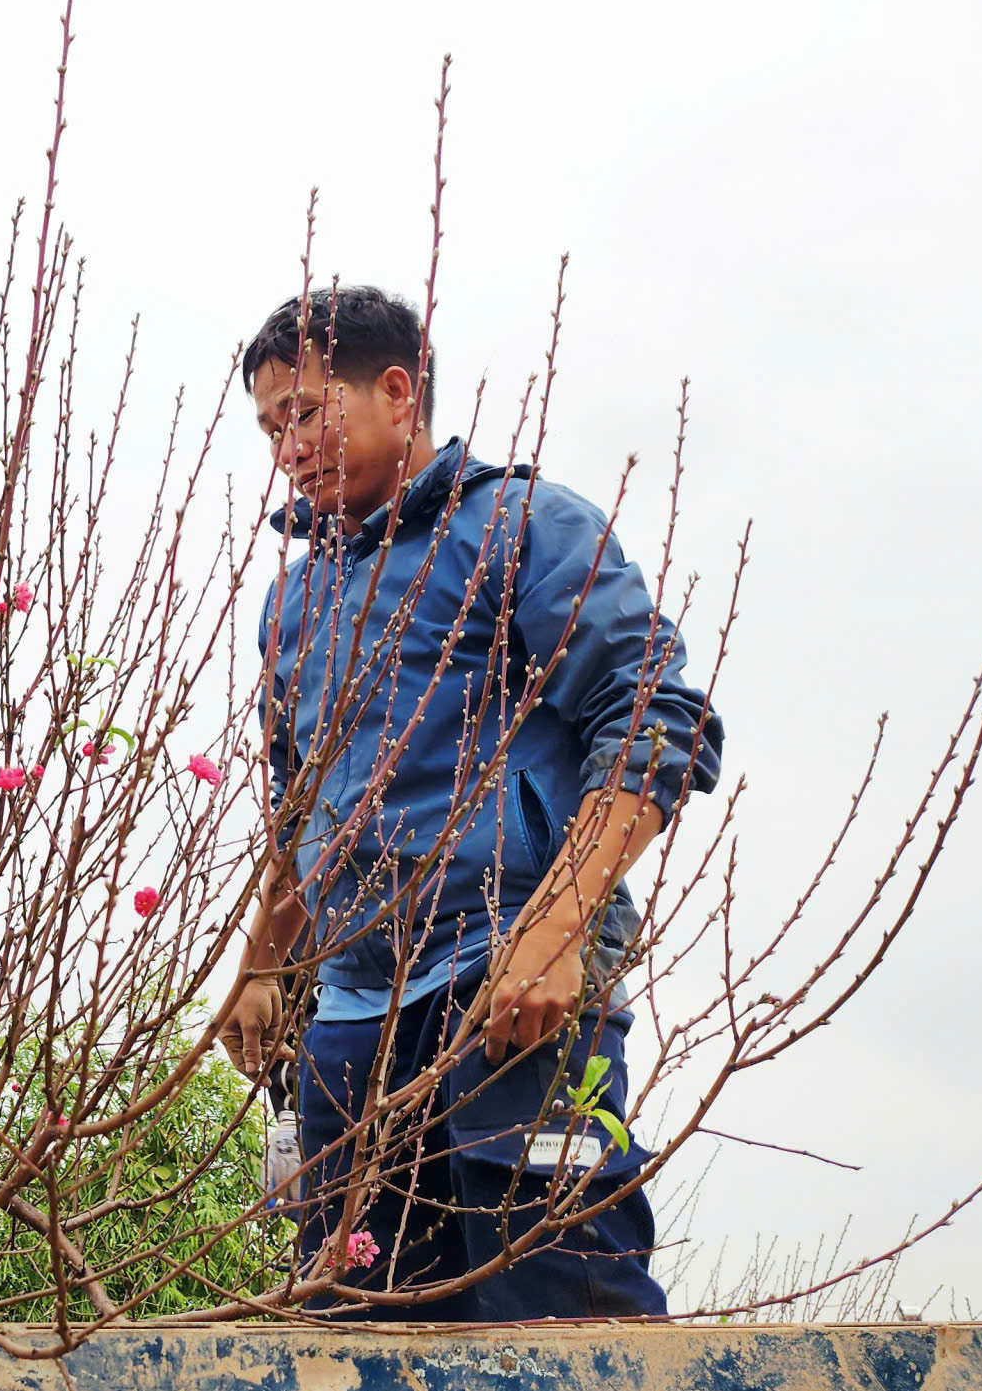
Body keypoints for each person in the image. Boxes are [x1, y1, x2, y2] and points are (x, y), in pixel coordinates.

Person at [215, 287, 722, 1320]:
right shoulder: (293, 601)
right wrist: (263, 962)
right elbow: (298, 797)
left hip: (508, 989)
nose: (287, 448)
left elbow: (656, 715)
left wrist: (552, 930)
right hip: (355, 1017)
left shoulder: (522, 525)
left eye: (307, 412)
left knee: (560, 1309)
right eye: (270, 427)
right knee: (353, 1329)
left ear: (397, 392)